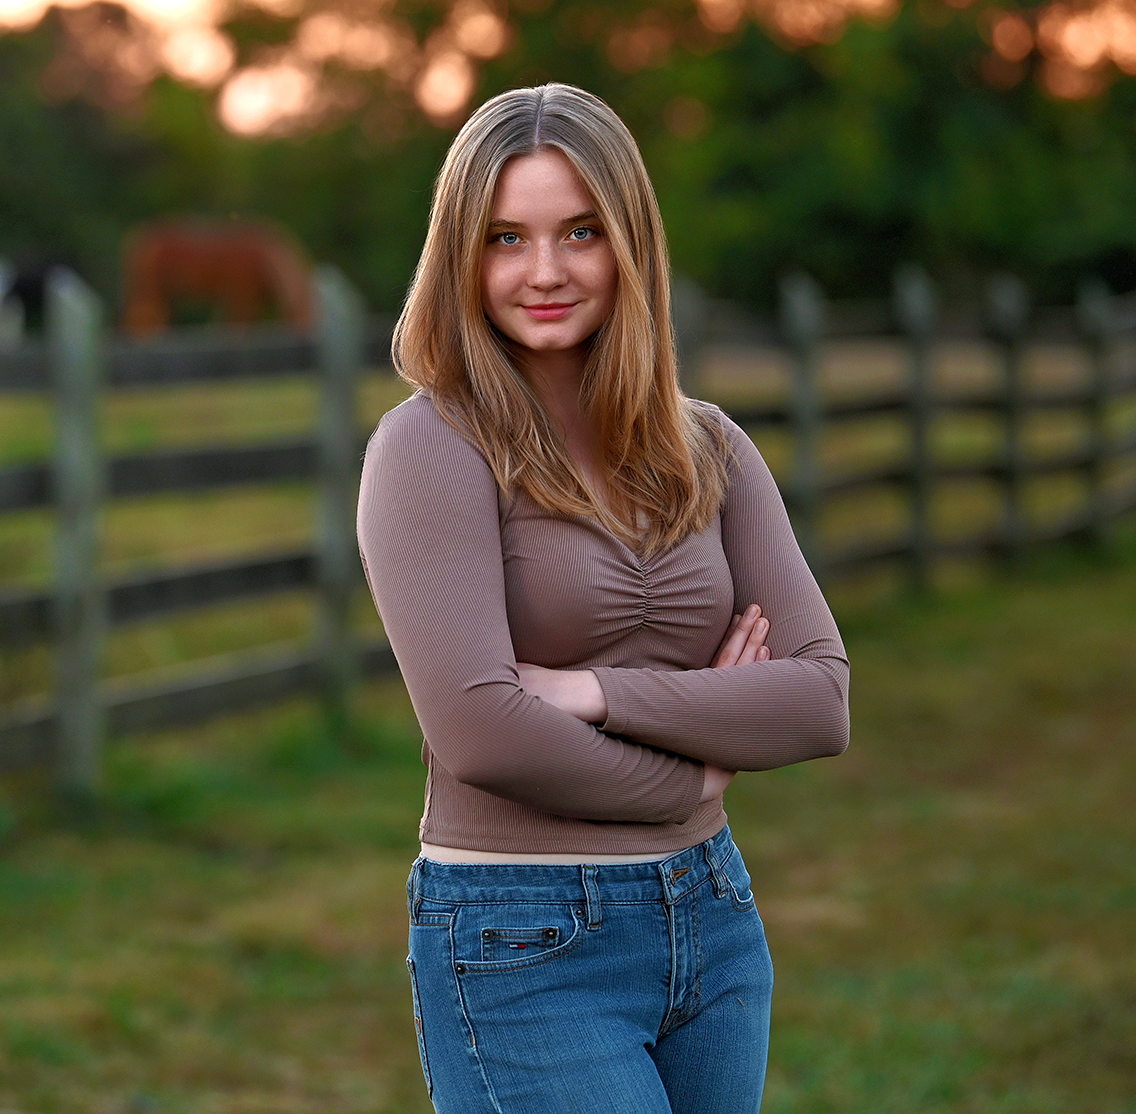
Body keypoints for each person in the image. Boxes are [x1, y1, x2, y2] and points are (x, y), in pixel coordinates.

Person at [356, 83, 849, 1114]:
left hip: (711, 917)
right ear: (461, 255)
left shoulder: (707, 445)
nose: (544, 271)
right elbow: (481, 731)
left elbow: (819, 701)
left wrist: (589, 692)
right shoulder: (433, 446)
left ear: (630, 241)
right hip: (521, 936)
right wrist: (694, 773)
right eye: (505, 237)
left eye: (579, 231)